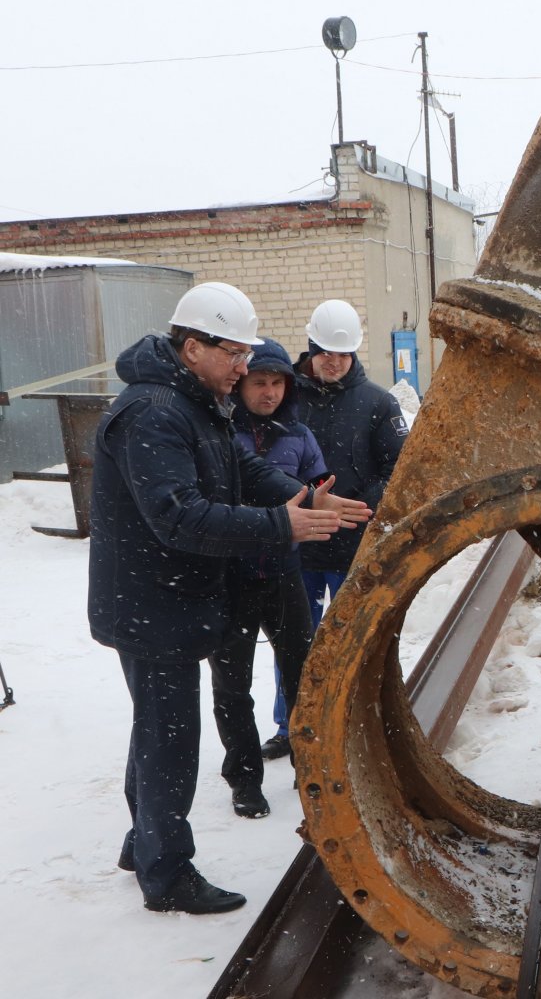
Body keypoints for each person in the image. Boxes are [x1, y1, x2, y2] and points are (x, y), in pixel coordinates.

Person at [89, 282, 372, 915]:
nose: (247, 367)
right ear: (192, 347)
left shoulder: (193, 401)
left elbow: (239, 472)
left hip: (167, 598)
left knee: (155, 730)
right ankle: (166, 875)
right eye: (235, 353)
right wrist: (283, 525)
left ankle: (145, 841)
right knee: (170, 737)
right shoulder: (154, 413)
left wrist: (302, 497)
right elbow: (178, 517)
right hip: (150, 603)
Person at [260, 300, 408, 759]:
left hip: (352, 545)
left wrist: (362, 504)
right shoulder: (286, 399)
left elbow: (399, 466)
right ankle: (292, 724)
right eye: (326, 351)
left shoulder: (378, 404)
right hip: (298, 543)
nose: (333, 361)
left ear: (354, 353)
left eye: (342, 354)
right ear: (311, 346)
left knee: (353, 639)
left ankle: (351, 719)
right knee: (293, 638)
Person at [210, 338, 329, 812]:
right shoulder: (221, 435)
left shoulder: (298, 434)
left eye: (278, 383)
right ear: (240, 384)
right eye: (259, 381)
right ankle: (244, 779)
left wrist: (320, 498)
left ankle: (311, 767)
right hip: (232, 578)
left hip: (285, 573)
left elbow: (320, 486)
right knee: (231, 686)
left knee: (304, 675)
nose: (269, 392)